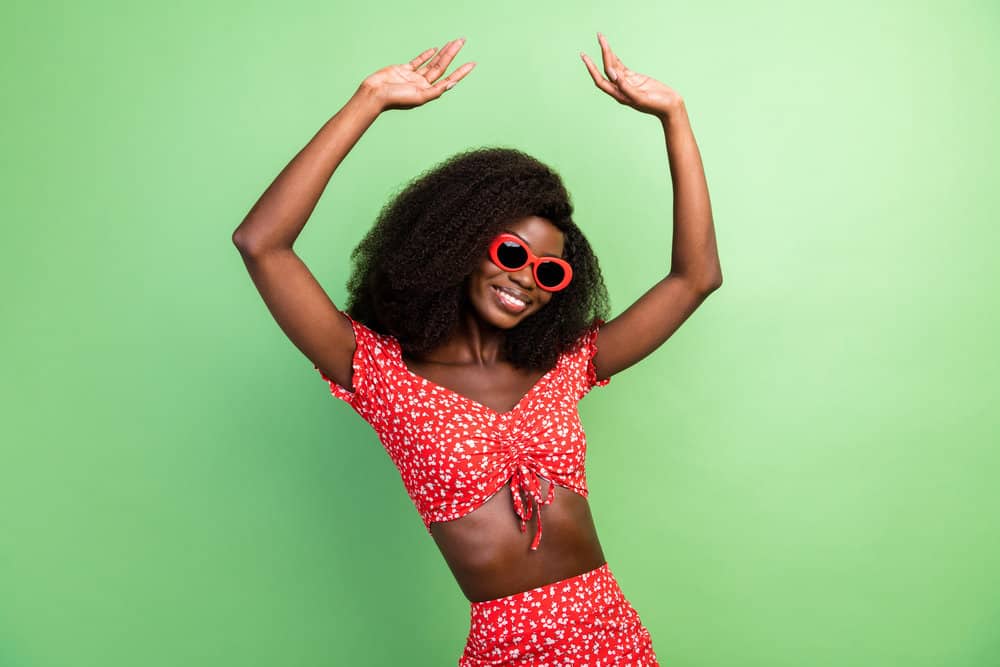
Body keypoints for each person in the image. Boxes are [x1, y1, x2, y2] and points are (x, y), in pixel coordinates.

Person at [232, 32, 721, 666]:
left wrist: (673, 116)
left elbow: (695, 278)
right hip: (508, 647)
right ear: (461, 245)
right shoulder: (382, 375)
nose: (526, 279)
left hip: (614, 637)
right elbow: (260, 244)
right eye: (512, 254)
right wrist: (370, 98)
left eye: (550, 272)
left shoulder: (564, 365)